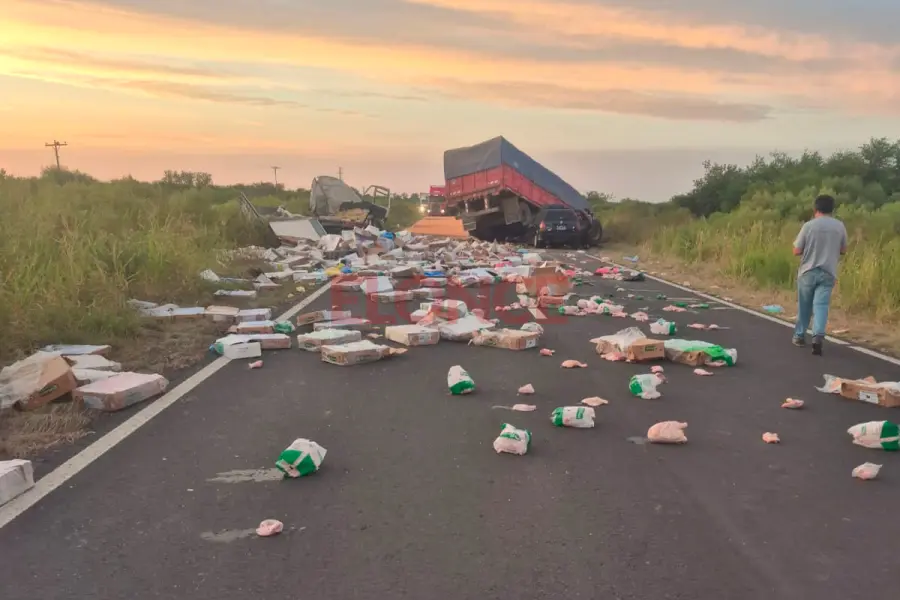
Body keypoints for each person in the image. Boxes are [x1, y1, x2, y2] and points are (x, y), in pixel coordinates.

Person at [791, 194, 847, 355]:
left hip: (808, 271)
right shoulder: (839, 226)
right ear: (832, 209)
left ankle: (800, 335)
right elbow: (843, 250)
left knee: (805, 306)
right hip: (828, 271)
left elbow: (797, 250)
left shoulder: (809, 226)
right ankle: (818, 336)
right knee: (821, 305)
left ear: (815, 209)